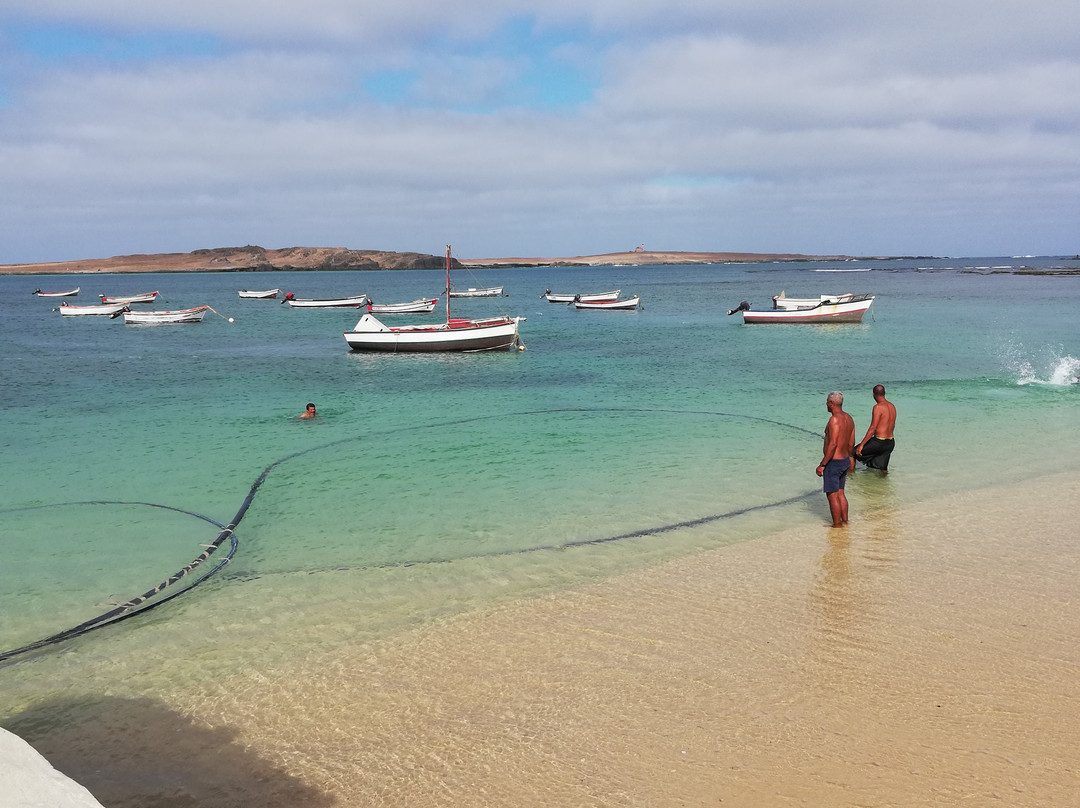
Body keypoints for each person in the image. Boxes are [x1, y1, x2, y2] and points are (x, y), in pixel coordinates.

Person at [816, 391, 855, 528]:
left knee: (832, 495)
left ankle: (837, 525)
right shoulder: (848, 418)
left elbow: (832, 444)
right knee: (841, 493)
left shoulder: (834, 420)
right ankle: (845, 521)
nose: (826, 404)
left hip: (834, 462)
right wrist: (850, 457)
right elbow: (851, 442)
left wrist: (822, 464)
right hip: (844, 460)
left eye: (827, 402)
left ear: (831, 403)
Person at [854, 384, 896, 473]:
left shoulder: (877, 407)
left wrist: (861, 445)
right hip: (890, 442)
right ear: (884, 393)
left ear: (873, 394)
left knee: (852, 453)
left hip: (879, 442)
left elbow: (873, 428)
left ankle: (851, 477)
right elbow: (892, 426)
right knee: (883, 468)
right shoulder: (892, 406)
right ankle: (885, 482)